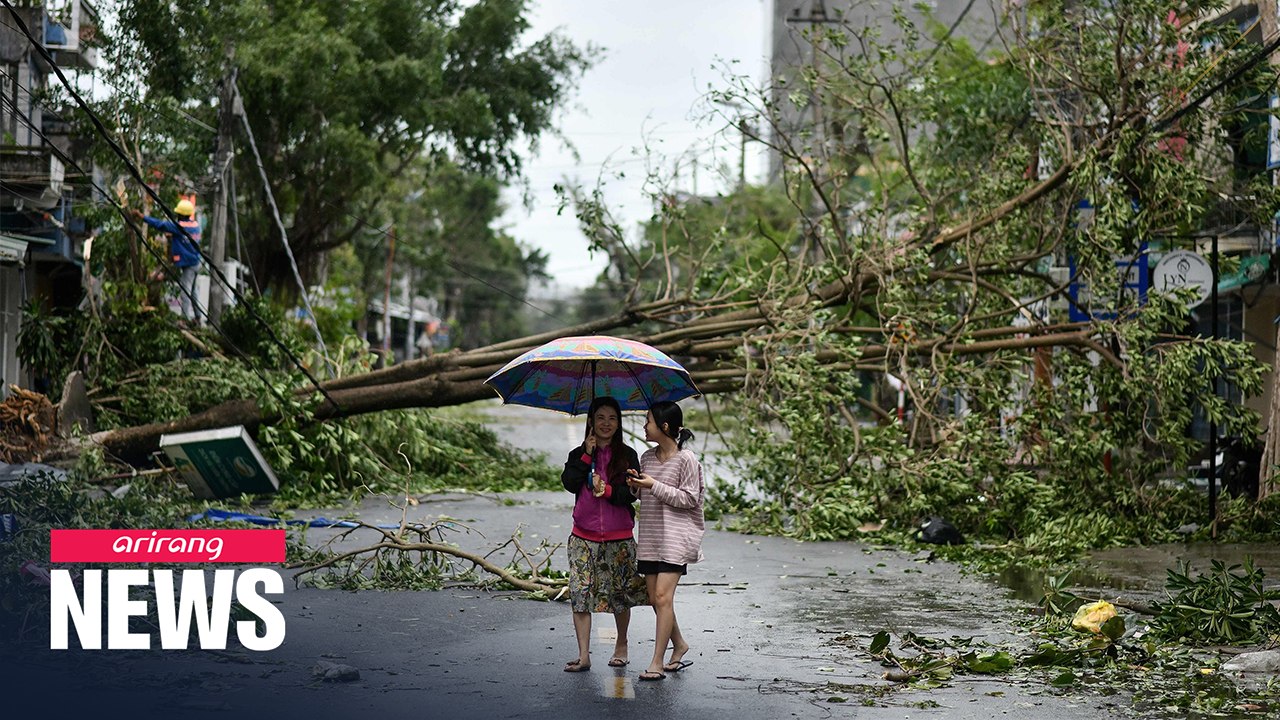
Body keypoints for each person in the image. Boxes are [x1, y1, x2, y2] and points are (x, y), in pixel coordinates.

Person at [560, 396, 647, 672]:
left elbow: (631, 494)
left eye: (612, 418)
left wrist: (607, 490)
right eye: (600, 417)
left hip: (618, 537)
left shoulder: (628, 455)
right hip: (582, 536)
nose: (606, 423)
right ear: (591, 421)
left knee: (620, 594)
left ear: (618, 423)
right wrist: (587, 455)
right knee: (580, 592)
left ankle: (621, 644)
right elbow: (569, 483)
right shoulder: (578, 454)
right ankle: (583, 655)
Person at [626, 400, 705, 681]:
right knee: (655, 599)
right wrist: (636, 486)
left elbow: (689, 499)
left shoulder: (687, 459)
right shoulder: (646, 457)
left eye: (648, 421)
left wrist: (653, 485)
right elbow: (644, 495)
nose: (644, 426)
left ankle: (657, 662)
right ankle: (679, 644)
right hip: (650, 537)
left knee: (662, 597)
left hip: (676, 538)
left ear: (665, 426)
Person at [138, 198, 202, 322]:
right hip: (195, 263)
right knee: (193, 292)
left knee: (185, 292)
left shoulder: (179, 226)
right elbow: (186, 239)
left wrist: (142, 217)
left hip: (189, 265)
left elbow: (160, 225)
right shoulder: (195, 225)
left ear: (181, 215)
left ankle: (184, 320)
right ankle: (198, 317)